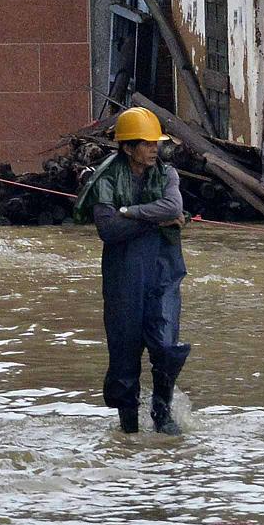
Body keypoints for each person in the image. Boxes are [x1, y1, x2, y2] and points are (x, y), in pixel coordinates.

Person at [75, 105, 191, 434]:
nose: (154, 149)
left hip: (164, 272)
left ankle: (162, 411)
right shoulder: (106, 178)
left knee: (167, 345)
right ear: (128, 148)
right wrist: (154, 222)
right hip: (123, 276)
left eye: (156, 143)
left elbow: (173, 207)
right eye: (146, 143)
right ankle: (128, 426)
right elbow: (108, 229)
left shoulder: (167, 173)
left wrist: (131, 212)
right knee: (124, 354)